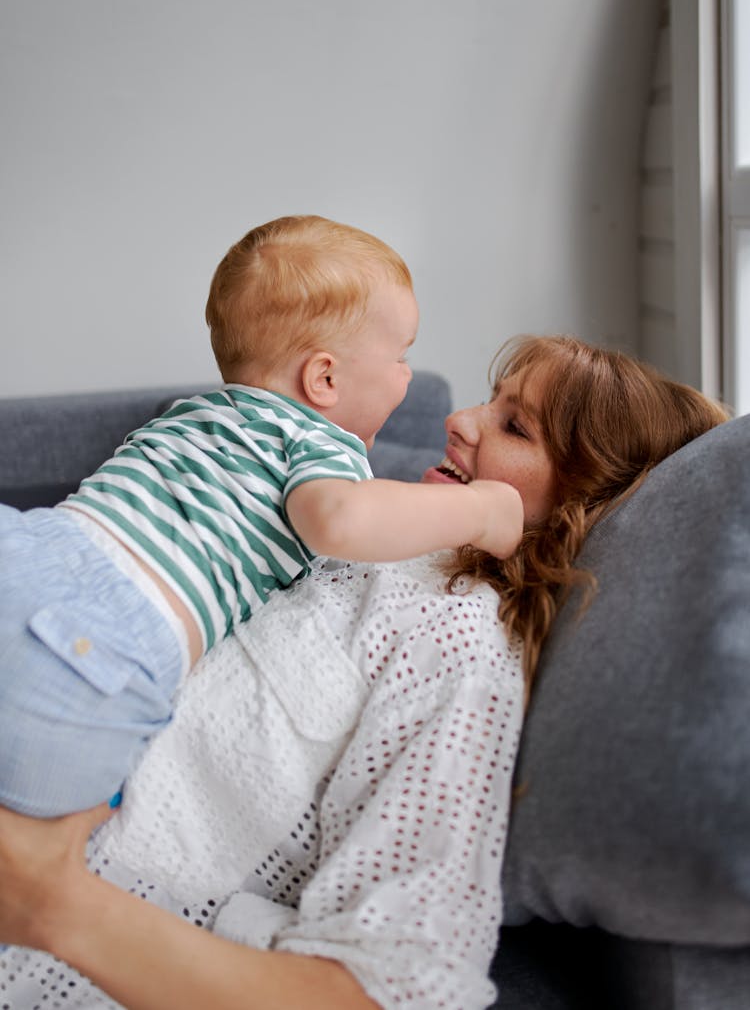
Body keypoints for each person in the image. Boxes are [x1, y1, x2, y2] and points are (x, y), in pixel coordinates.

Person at [0, 335, 728, 1010]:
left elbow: (390, 987)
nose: (459, 420)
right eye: (490, 399)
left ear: (582, 501)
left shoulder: (462, 645)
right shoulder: (371, 526)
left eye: (514, 428)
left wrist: (54, 904)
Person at [0, 215, 523, 820]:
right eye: (402, 356)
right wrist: (482, 509)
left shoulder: (192, 414)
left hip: (30, 545)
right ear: (324, 377)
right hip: (108, 641)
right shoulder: (320, 443)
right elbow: (340, 521)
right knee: (73, 822)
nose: (408, 375)